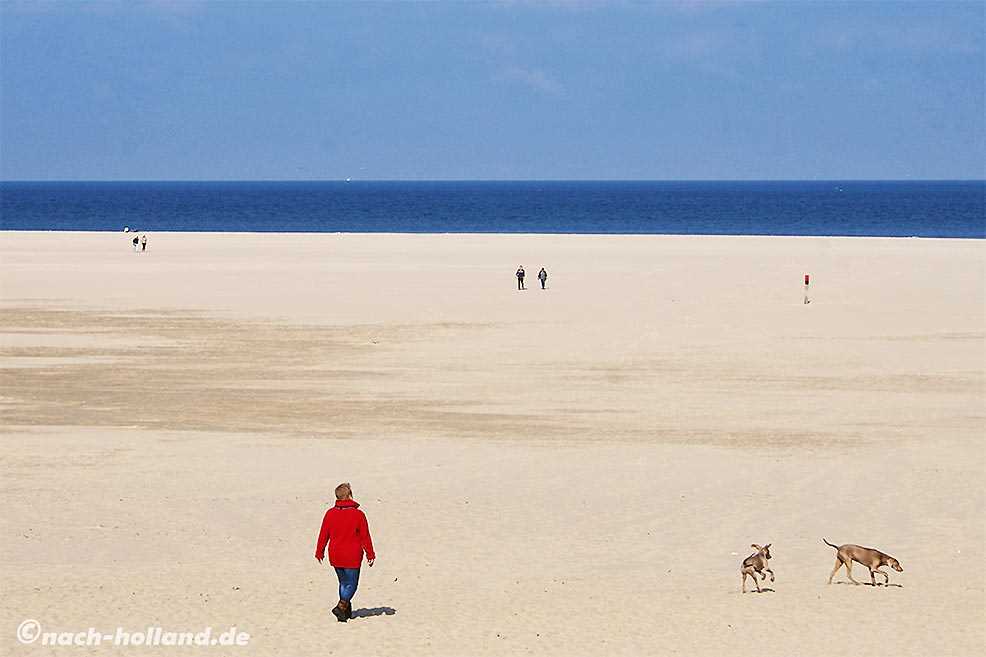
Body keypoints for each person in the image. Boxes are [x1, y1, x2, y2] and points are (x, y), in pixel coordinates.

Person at [315, 482, 376, 622]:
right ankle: (341, 606)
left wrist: (320, 551)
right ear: (349, 495)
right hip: (351, 555)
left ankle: (345, 612)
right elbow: (365, 536)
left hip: (335, 554)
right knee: (351, 584)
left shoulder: (330, 513)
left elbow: (323, 534)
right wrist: (370, 554)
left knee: (343, 582)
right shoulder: (358, 514)